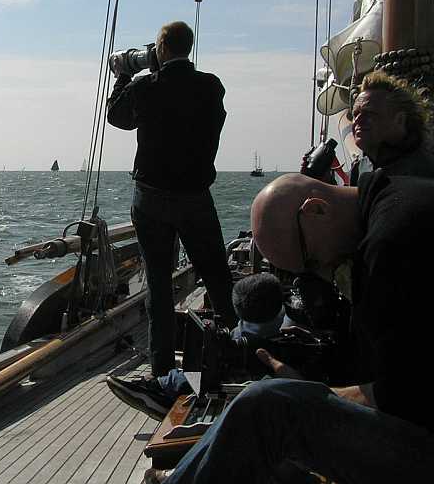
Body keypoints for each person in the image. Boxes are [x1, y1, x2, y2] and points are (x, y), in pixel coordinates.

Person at [161, 171, 434, 484]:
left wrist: (309, 392)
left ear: (316, 210)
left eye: (313, 262)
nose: (325, 276)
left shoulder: (391, 244)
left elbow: (401, 397)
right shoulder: (399, 199)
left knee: (267, 408)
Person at [107, 21, 236, 380]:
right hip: (196, 197)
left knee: (160, 285)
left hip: (152, 200)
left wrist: (122, 74)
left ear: (160, 48)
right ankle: (242, 348)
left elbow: (116, 116)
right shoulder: (212, 87)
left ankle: (162, 370)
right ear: (188, 47)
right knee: (217, 278)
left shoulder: (147, 86)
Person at [106, 273, 291, 421]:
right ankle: (161, 388)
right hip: (262, 370)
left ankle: (160, 389)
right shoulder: (285, 321)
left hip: (235, 374)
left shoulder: (242, 333)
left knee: (200, 369)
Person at [350, 70, 434, 183]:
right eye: (355, 114)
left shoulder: (423, 169)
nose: (358, 120)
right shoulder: (360, 169)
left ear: (399, 120)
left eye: (369, 113)